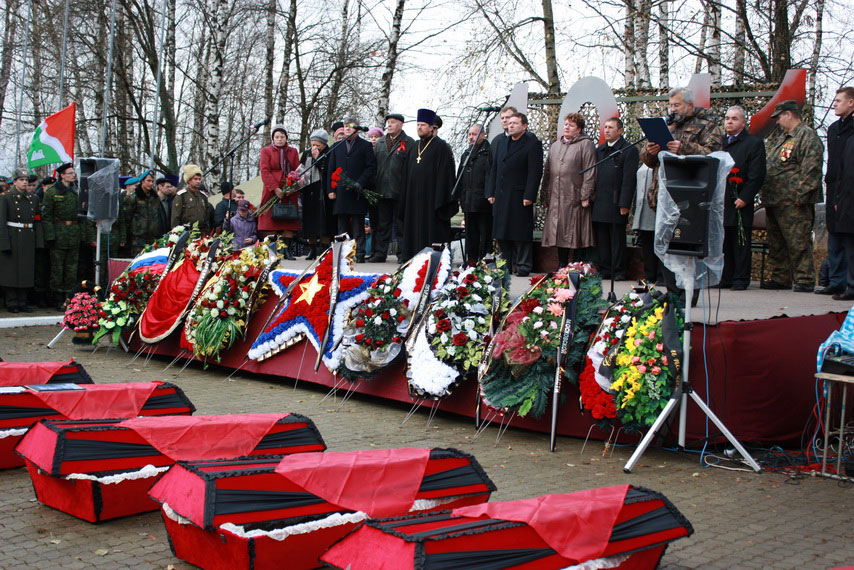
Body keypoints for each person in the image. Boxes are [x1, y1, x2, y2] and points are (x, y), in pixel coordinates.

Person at [640, 86, 723, 298]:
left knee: (687, 247)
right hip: (663, 196)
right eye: (671, 105)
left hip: (691, 199)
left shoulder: (707, 125)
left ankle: (688, 294)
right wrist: (650, 151)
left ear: (689, 105)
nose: (673, 109)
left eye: (677, 105)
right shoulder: (667, 125)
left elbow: (714, 155)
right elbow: (648, 161)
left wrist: (684, 148)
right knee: (666, 245)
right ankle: (673, 293)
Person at [759, 100, 823, 293]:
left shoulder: (806, 135)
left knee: (798, 241)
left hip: (794, 200)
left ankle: (804, 278)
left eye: (779, 117)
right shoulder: (783, 138)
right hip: (775, 199)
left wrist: (802, 194)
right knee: (777, 242)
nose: (777, 121)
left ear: (788, 114)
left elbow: (811, 168)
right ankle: (781, 277)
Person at [486, 112, 544, 277]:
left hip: (520, 194)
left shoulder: (532, 144)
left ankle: (523, 265)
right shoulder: (502, 142)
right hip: (501, 194)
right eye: (509, 123)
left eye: (515, 123)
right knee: (502, 232)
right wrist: (491, 191)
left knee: (520, 232)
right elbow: (494, 169)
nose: (510, 125)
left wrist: (530, 195)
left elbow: (535, 172)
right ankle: (506, 264)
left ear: (524, 126)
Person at [398, 108, 457, 261]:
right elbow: (406, 174)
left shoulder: (441, 147)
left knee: (431, 232)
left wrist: (440, 200)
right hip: (413, 201)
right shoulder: (414, 147)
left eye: (423, 125)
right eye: (418, 124)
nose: (419, 127)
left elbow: (446, 175)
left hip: (432, 201)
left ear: (431, 127)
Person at [541, 113, 597, 267]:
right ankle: (562, 265)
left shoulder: (586, 145)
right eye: (566, 124)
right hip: (556, 196)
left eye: (571, 125)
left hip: (575, 196)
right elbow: (547, 172)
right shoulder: (555, 146)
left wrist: (585, 195)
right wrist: (545, 195)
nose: (567, 127)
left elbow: (590, 171)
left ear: (579, 129)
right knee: (559, 231)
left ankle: (576, 267)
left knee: (576, 232)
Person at [721, 105, 766, 290]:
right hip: (721, 199)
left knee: (739, 240)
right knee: (723, 240)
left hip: (739, 199)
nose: (729, 122)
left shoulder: (753, 143)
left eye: (734, 119)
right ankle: (725, 277)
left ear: (743, 122)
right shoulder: (720, 142)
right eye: (727, 118)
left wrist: (745, 197)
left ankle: (740, 278)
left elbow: (757, 174)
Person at [592, 117, 639, 280]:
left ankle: (619, 270)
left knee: (616, 238)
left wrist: (624, 203)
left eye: (611, 127)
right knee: (602, 238)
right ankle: (605, 268)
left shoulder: (628, 150)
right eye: (605, 127)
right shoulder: (600, 150)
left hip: (617, 201)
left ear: (620, 131)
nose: (607, 130)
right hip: (600, 201)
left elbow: (629, 179)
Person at [327, 117, 377, 262]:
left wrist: (360, 183)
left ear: (357, 129)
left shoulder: (365, 145)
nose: (347, 128)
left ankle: (359, 253)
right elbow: (331, 168)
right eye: (345, 126)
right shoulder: (337, 146)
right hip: (341, 191)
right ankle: (342, 253)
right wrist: (331, 189)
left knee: (358, 224)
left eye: (350, 126)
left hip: (357, 191)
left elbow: (371, 167)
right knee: (342, 224)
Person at [822, 87, 854, 300]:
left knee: (848, 236)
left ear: (851, 102)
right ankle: (836, 281)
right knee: (834, 233)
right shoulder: (834, 128)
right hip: (835, 185)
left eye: (839, 100)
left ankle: (850, 283)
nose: (834, 104)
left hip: (849, 187)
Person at [369, 112, 413, 263]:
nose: (389, 125)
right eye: (388, 122)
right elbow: (374, 165)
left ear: (401, 124)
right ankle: (380, 253)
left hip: (400, 189)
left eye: (393, 122)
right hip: (381, 189)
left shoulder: (409, 143)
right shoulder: (380, 142)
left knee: (401, 224)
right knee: (383, 224)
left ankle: (402, 254)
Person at [42, 162, 84, 309]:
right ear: (62, 175)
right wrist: (50, 236)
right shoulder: (52, 192)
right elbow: (46, 216)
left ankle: (69, 297)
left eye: (73, 173)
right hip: (58, 234)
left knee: (72, 268)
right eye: (70, 173)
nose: (73, 175)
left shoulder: (76, 191)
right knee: (57, 268)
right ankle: (56, 297)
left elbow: (81, 215)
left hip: (74, 234)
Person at [0, 170, 43, 313]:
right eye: (21, 180)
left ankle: (22, 301)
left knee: (26, 270)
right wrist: (4, 242)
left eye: (26, 180)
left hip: (28, 236)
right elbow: (1, 221)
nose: (25, 182)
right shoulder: (6, 197)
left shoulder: (33, 198)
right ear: (14, 182)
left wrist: (39, 240)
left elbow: (37, 220)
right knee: (11, 271)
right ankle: (12, 302)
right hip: (13, 236)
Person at [258, 125, 301, 258]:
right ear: (273, 139)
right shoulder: (266, 151)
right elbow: (265, 171)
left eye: (282, 137)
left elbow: (297, 170)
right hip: (271, 190)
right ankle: (273, 250)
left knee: (289, 221)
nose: (280, 139)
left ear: (286, 138)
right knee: (270, 221)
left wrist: (291, 188)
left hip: (289, 190)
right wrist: (275, 188)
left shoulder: (293, 151)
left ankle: (286, 250)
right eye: (277, 137)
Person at [458, 124, 493, 263]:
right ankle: (471, 261)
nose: (471, 137)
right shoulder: (466, 154)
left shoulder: (489, 153)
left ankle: (484, 262)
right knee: (471, 235)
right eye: (469, 134)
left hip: (483, 203)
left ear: (483, 135)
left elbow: (490, 177)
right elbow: (460, 177)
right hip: (468, 201)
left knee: (484, 235)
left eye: (474, 134)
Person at [300, 129, 334, 259]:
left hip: (322, 191)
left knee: (323, 223)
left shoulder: (329, 152)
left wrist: (317, 158)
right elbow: (302, 168)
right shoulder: (307, 153)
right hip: (309, 190)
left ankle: (324, 249)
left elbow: (327, 170)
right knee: (310, 222)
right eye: (312, 144)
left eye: (317, 145)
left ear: (324, 144)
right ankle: (312, 248)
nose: (314, 147)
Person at [632, 164, 662, 283]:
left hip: (659, 205)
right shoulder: (645, 161)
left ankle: (661, 276)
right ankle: (649, 275)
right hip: (644, 207)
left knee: (660, 241)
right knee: (647, 241)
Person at [123, 170, 161, 256]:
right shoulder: (134, 197)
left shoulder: (154, 197)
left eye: (152, 181)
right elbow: (127, 217)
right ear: (142, 181)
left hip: (152, 236)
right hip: (138, 237)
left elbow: (158, 214)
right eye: (148, 181)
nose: (150, 184)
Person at [172, 164, 212, 233]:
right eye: (195, 179)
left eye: (199, 179)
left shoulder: (203, 196)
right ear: (189, 180)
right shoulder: (182, 196)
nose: (198, 181)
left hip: (201, 232)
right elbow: (176, 218)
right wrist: (176, 233)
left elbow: (206, 217)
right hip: (187, 232)